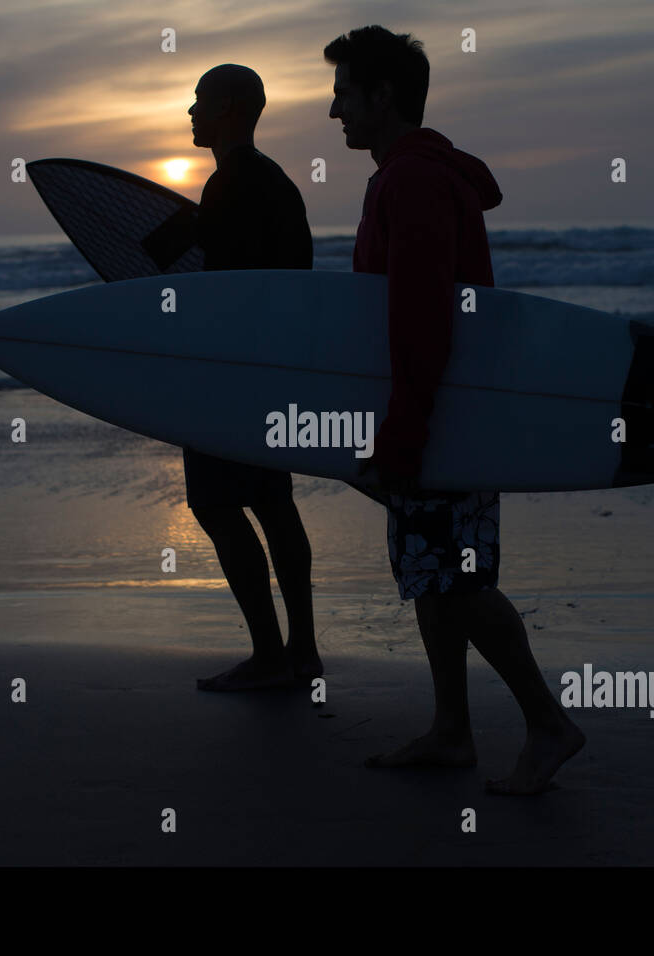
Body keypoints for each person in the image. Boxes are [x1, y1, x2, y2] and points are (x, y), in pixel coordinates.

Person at [323, 27, 585, 793]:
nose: (334, 111)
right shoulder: (413, 174)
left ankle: (549, 722)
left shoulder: (412, 182)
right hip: (436, 410)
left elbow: (424, 317)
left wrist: (405, 431)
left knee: (457, 578)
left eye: (344, 94)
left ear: (382, 95)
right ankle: (450, 731)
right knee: (430, 573)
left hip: (439, 416)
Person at [184, 64, 322, 691]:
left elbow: (214, 290)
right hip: (273, 367)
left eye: (200, 102)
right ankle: (303, 650)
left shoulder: (232, 182)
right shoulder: (276, 183)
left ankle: (271, 656)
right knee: (272, 500)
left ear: (231, 108)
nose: (190, 113)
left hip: (229, 373)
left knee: (215, 502)